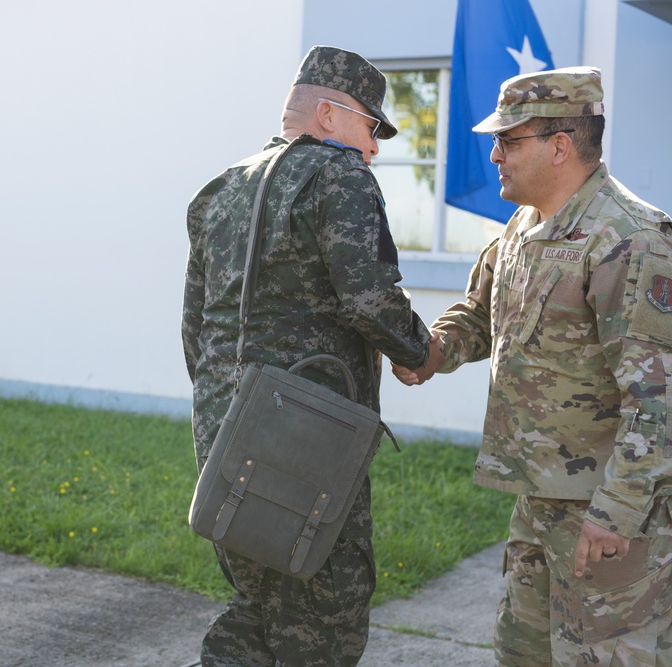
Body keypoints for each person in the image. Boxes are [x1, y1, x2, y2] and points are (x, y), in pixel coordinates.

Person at [393, 66, 672, 666]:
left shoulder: (631, 241)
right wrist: (432, 352)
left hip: (612, 514)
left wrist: (615, 515)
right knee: (524, 655)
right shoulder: (525, 227)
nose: (493, 155)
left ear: (560, 145)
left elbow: (666, 403)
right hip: (540, 501)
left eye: (509, 141)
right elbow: (482, 315)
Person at [181, 45, 431, 666]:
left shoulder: (220, 189)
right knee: (328, 615)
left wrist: (226, 400)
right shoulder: (338, 175)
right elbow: (371, 300)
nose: (374, 147)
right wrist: (420, 351)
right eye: (371, 127)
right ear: (328, 114)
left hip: (225, 429)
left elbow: (194, 327)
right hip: (306, 434)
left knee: (259, 603)